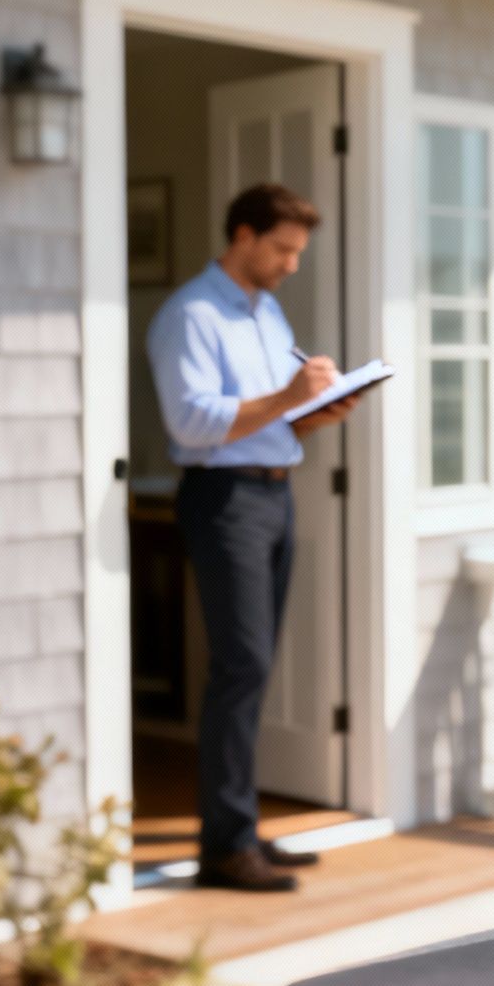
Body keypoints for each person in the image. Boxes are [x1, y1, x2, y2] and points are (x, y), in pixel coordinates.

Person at [148, 183, 363, 892]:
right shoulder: (190, 314)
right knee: (238, 669)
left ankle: (244, 832)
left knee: (255, 669)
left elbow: (269, 417)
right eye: (282, 249)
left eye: (297, 252)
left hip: (275, 493)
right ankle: (225, 849)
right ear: (243, 235)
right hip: (224, 501)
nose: (291, 266)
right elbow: (193, 423)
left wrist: (319, 411)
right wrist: (289, 399)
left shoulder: (266, 313)